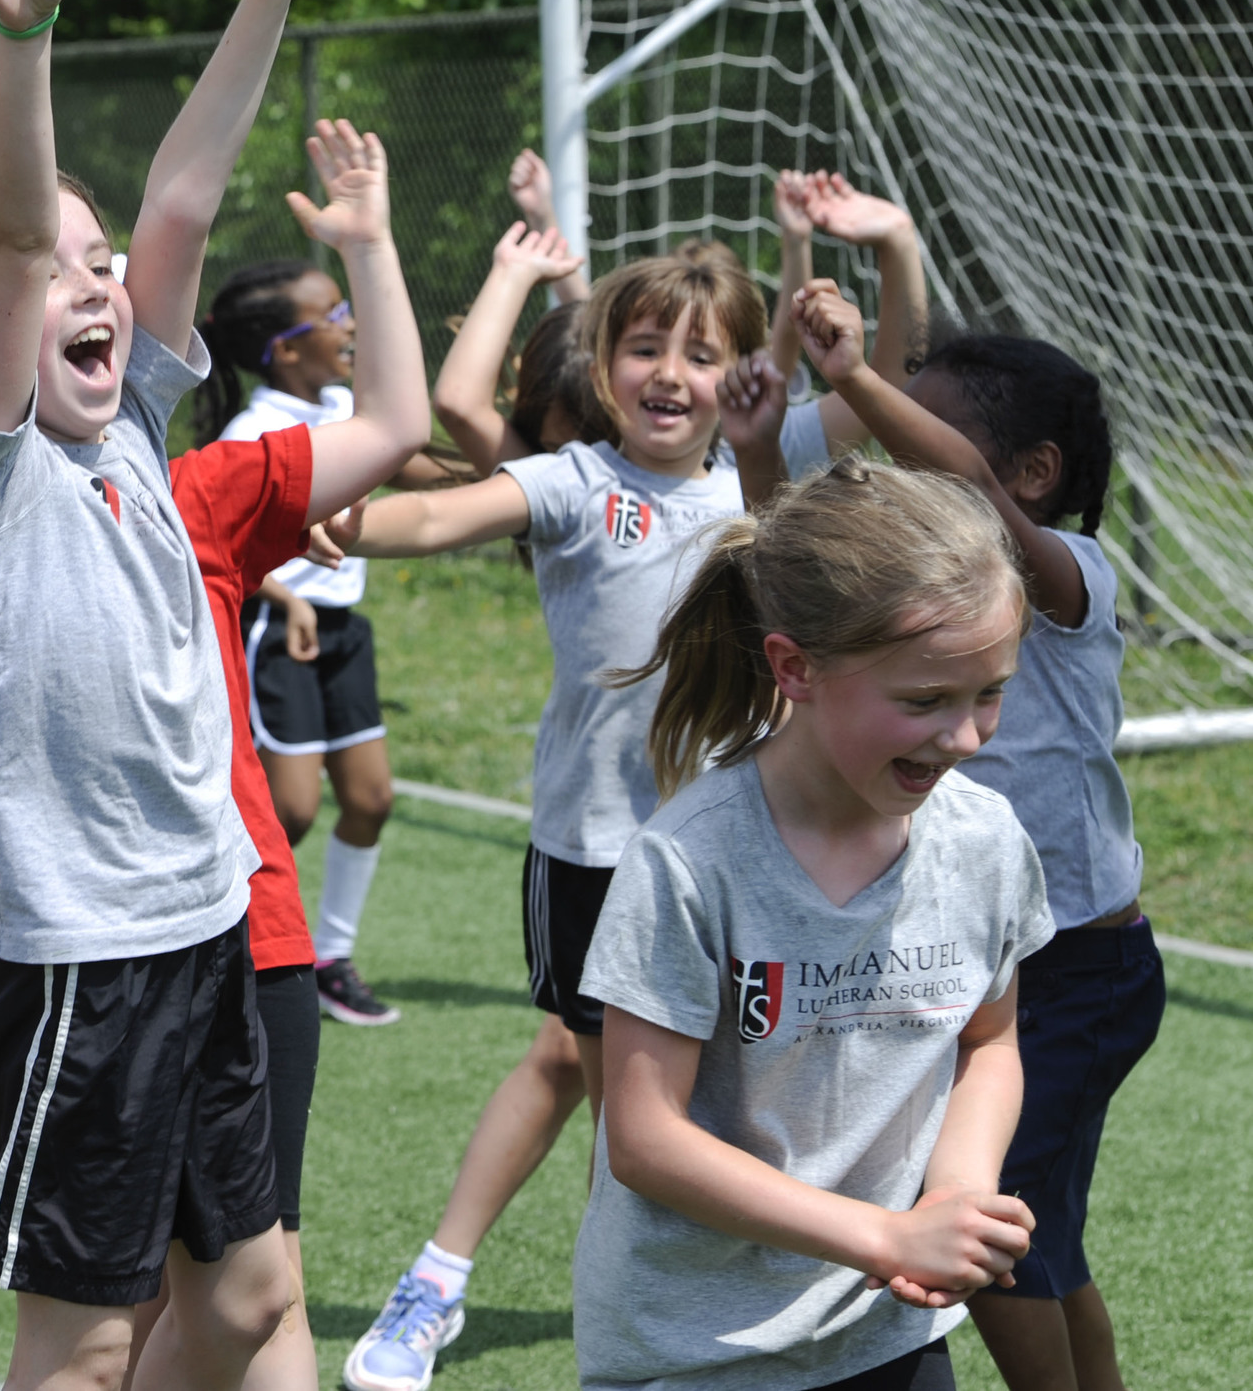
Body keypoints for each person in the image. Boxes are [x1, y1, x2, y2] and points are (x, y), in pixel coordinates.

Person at [0, 0, 323, 1391]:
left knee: (251, 1296)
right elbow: (0, 231)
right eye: (63, 273)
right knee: (83, 1347)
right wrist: (25, 39)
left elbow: (183, 194)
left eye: (102, 265)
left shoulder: (133, 426)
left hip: (206, 922)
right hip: (88, 959)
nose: (100, 282)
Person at [338, 237, 775, 1391]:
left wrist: (859, 259)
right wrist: (306, 512)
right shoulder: (576, 480)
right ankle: (528, 1305)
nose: (670, 371)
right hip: (596, 853)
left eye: (701, 351)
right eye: (644, 347)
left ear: (742, 374)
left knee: (630, 1086)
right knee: (620, 1105)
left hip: (728, 857)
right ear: (601, 364)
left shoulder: (760, 497)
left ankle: (536, 1290)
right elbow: (429, 511)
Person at [578, 457, 1055, 1390]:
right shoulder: (690, 860)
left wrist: (956, 1194)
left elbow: (988, 1041)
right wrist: (883, 1232)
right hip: (695, 1353)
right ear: (794, 667)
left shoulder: (986, 840)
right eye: (924, 701)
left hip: (887, 1333)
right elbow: (642, 1136)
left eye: (988, 692)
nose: (964, 737)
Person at [781, 282, 1160, 1391]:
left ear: (1029, 474)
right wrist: (770, 433)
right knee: (1046, 1234)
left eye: (921, 440)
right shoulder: (924, 599)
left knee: (987, 1234)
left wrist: (853, 377)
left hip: (1079, 972)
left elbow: (975, 496)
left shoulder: (1072, 574)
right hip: (996, 962)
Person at [195, 248, 448, 1027]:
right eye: (332, 314)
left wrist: (521, 457)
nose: (349, 326)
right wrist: (284, 596)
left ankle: (331, 957)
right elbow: (216, 537)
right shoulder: (256, 429)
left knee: (370, 798)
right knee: (293, 810)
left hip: (342, 630)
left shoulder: (348, 406)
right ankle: (212, 945)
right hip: (281, 627)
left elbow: (432, 471)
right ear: (285, 348)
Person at [764, 171, 931, 476]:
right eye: (646, 351)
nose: (671, 373)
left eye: (700, 358)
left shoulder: (766, 444)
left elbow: (886, 385)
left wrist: (898, 241)